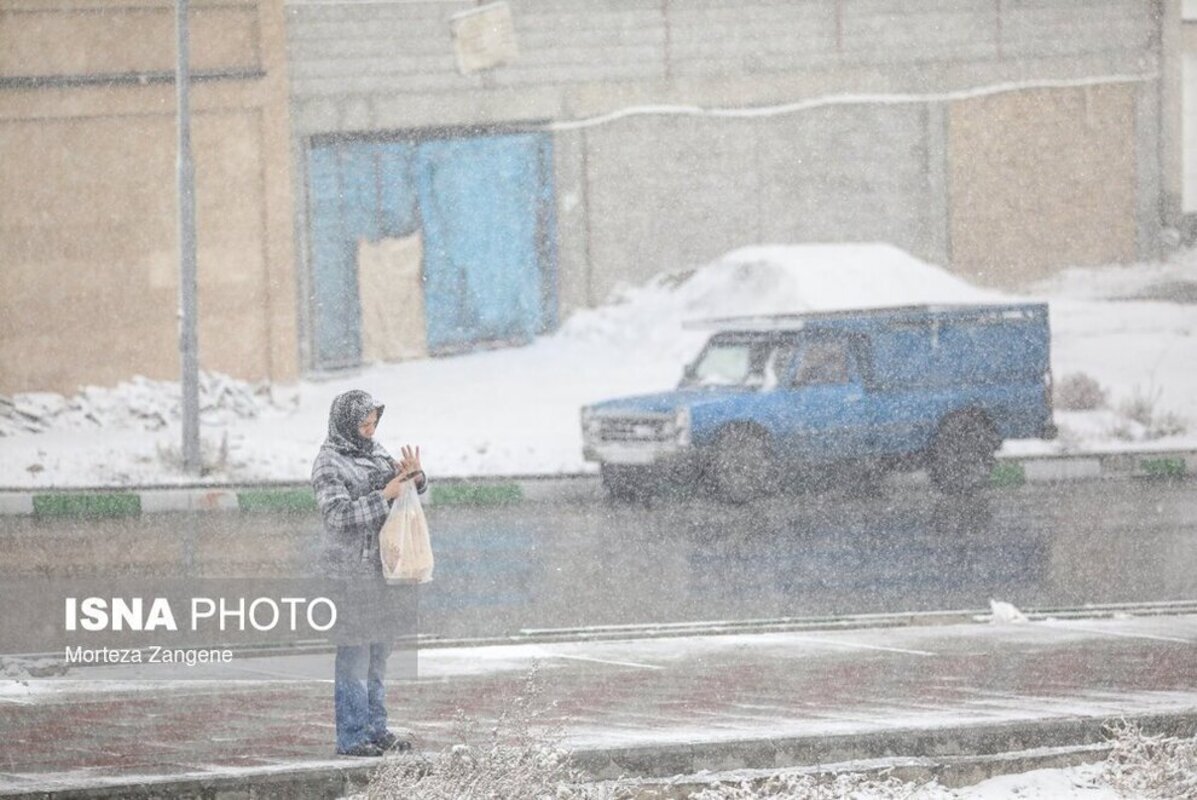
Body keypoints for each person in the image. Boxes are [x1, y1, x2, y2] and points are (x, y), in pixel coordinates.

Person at [311, 389, 426, 757]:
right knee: (354, 658)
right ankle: (352, 736)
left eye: (373, 422)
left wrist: (415, 478)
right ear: (345, 424)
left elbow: (400, 488)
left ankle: (377, 730)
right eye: (363, 423)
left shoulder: (375, 451)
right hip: (349, 575)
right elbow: (337, 516)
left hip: (382, 572)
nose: (370, 429)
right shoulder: (328, 462)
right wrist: (385, 496)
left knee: (379, 656)